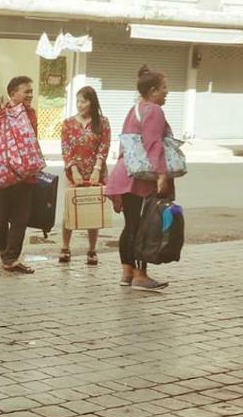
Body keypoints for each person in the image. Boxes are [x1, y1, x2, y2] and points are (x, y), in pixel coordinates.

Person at [106, 65, 174, 291]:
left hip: (125, 173)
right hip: (140, 178)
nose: (167, 93)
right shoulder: (154, 110)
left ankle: (127, 272)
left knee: (131, 225)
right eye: (164, 88)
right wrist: (162, 174)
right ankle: (140, 276)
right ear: (153, 90)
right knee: (143, 227)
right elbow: (153, 144)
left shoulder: (135, 109)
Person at [0, 76, 42, 274]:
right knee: (1, 217)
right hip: (3, 175)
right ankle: (4, 251)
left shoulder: (32, 114)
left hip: (25, 175)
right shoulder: (2, 113)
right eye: (26, 91)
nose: (30, 95)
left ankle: (11, 258)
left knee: (20, 218)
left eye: (31, 91)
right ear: (13, 94)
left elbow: (32, 141)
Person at [59, 86, 111, 266]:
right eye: (78, 101)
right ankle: (65, 247)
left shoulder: (102, 123)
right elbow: (66, 149)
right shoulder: (68, 123)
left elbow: (104, 148)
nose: (80, 105)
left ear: (92, 102)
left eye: (84, 101)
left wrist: (97, 169)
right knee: (70, 210)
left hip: (95, 173)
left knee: (93, 210)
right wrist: (73, 170)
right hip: (74, 173)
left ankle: (92, 249)